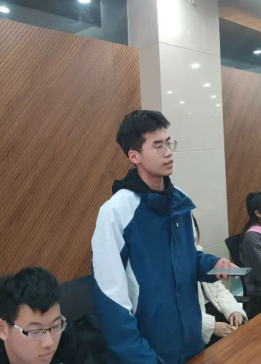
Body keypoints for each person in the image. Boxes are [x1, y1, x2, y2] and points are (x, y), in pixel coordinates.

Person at [91, 110, 236, 364]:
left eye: (169, 143)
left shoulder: (179, 200)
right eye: (158, 146)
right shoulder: (116, 211)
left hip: (191, 341)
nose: (168, 152)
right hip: (149, 350)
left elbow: (185, 258)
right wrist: (141, 357)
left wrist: (212, 265)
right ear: (134, 156)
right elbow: (110, 298)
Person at [0, 267, 90, 364]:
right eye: (35, 331)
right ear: (1, 329)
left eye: (55, 326)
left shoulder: (68, 338)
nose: (49, 342)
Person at [193, 217, 247, 346]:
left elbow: (219, 290)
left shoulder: (199, 254)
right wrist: (211, 327)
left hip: (216, 311)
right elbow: (174, 313)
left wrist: (234, 310)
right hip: (197, 325)